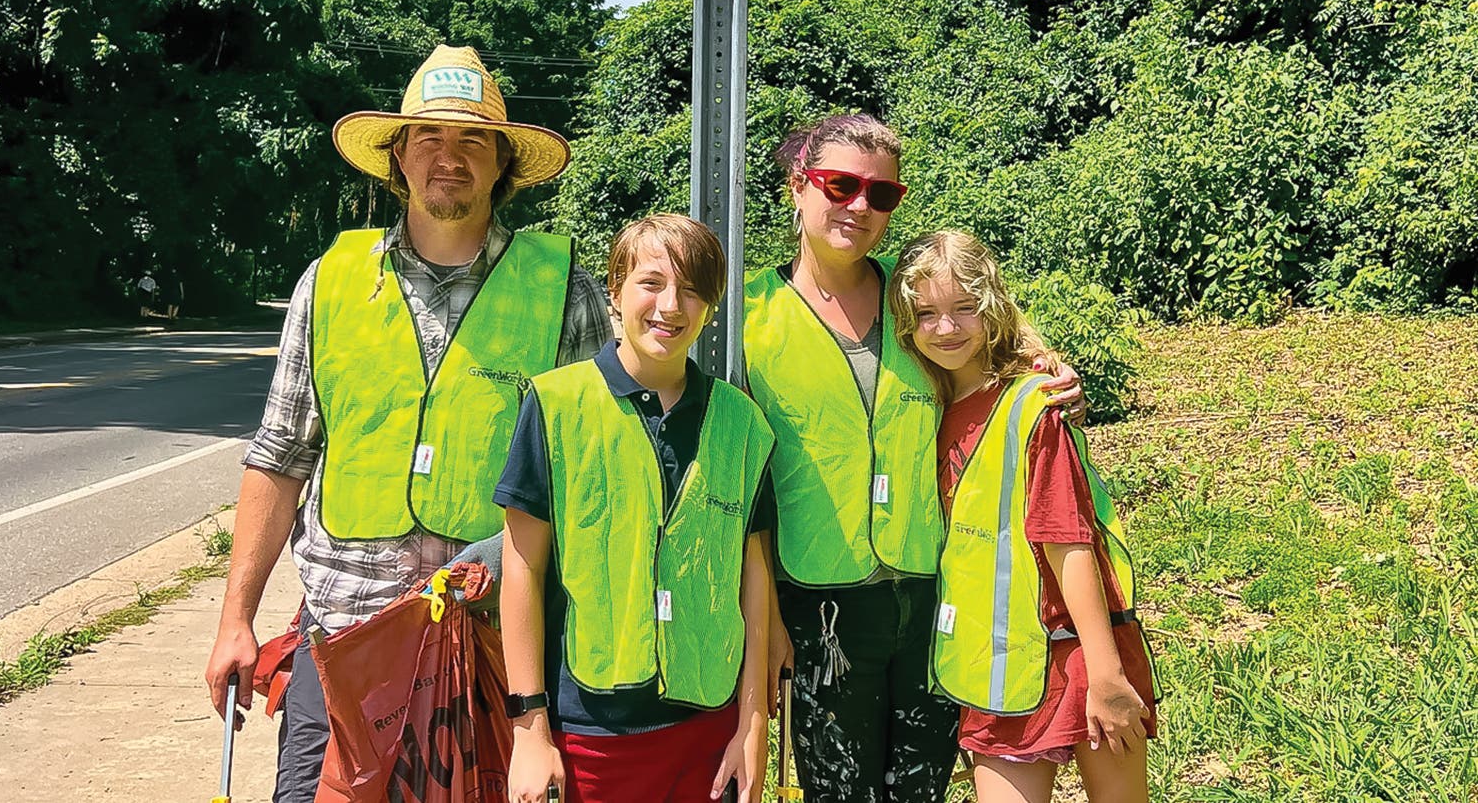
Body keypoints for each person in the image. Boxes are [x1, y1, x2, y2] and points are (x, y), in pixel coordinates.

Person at [203, 45, 613, 803]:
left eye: (472, 141)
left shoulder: (568, 294)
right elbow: (280, 455)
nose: (447, 157)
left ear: (503, 166)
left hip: (494, 651)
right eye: (427, 137)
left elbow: (592, 485)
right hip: (342, 643)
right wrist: (237, 619)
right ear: (398, 157)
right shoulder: (328, 282)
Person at [741, 113, 1083, 803]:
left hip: (934, 593)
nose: (859, 206)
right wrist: (765, 619)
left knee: (920, 791)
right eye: (840, 186)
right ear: (795, 187)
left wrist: (1051, 369)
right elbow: (738, 478)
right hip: (817, 603)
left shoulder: (920, 294)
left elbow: (1001, 354)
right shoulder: (743, 313)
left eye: (882, 194)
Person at [496, 214, 774, 803]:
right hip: (592, 733)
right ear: (615, 288)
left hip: (709, 730)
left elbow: (754, 578)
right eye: (651, 282)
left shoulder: (741, 421)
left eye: (693, 290)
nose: (671, 306)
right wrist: (529, 729)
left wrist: (752, 727)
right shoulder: (555, 404)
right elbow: (522, 567)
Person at [892, 230, 1158, 803]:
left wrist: (1108, 675)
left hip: (1079, 650)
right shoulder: (924, 407)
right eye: (928, 312)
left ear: (992, 307)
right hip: (1000, 664)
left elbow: (1069, 539)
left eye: (965, 308)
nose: (946, 327)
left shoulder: (1034, 404)